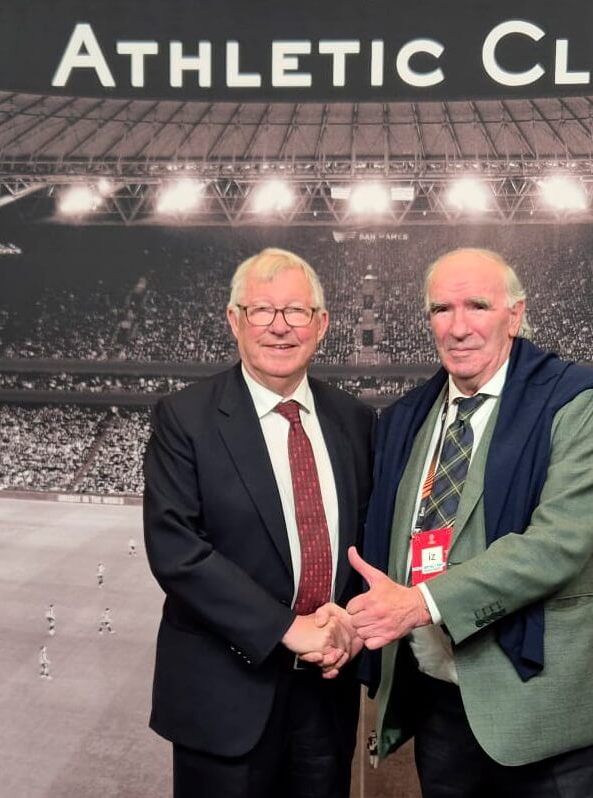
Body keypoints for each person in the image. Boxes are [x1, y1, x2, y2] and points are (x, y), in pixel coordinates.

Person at [349, 248, 593, 798]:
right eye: (442, 309)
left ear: (515, 313)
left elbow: (557, 545)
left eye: (477, 305)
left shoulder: (581, 403)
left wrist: (420, 603)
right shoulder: (405, 418)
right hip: (440, 703)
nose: (458, 327)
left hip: (551, 709)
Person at [143, 247, 375, 798]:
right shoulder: (185, 417)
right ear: (234, 320)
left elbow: (370, 542)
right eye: (261, 311)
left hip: (328, 691)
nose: (279, 327)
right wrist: (287, 629)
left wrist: (353, 625)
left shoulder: (356, 421)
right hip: (225, 700)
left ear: (320, 325)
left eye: (295, 311)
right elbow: (178, 551)